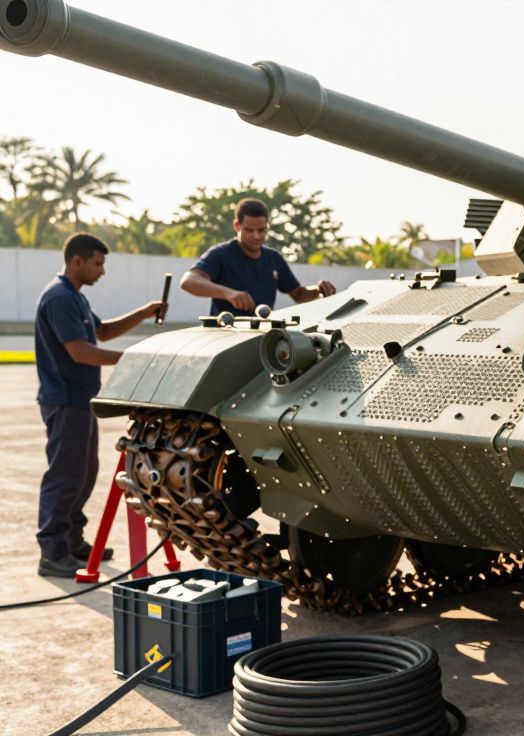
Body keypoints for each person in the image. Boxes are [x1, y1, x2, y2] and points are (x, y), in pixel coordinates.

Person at [35, 233, 168, 577]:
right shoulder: (59, 298)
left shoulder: (75, 298)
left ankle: (72, 541)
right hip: (64, 400)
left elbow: (103, 332)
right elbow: (80, 352)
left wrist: (144, 312)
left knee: (84, 474)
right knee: (65, 475)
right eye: (98, 263)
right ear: (77, 261)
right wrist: (136, 358)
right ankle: (52, 551)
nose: (102, 271)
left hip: (81, 401)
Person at [180, 198, 336, 316]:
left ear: (267, 226)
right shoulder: (221, 254)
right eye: (249, 230)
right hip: (224, 338)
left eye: (261, 230)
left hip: (260, 340)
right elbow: (188, 281)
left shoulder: (274, 258)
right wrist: (228, 293)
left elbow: (299, 294)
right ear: (236, 226)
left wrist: (317, 290)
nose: (256, 236)